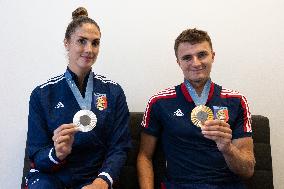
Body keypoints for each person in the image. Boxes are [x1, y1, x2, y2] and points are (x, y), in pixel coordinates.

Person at [26, 7, 131, 189]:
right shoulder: (42, 94)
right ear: (67, 43)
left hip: (96, 177)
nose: (89, 50)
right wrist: (57, 153)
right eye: (81, 41)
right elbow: (36, 153)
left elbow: (119, 147)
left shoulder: (113, 91)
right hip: (53, 177)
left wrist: (103, 181)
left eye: (95, 43)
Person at [137, 28, 255, 189]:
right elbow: (145, 156)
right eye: (187, 58)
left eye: (202, 55)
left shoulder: (236, 101)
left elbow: (247, 170)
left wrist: (227, 148)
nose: (196, 63)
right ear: (178, 62)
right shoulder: (159, 102)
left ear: (213, 56)